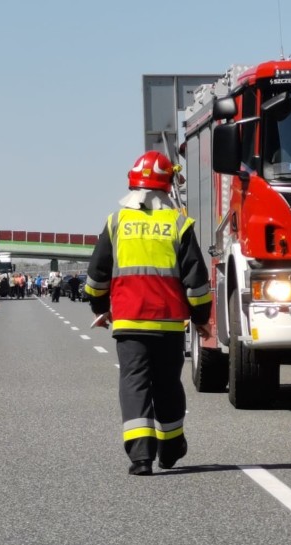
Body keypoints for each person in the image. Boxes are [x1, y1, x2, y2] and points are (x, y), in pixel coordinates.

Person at [85, 150, 212, 476]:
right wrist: (201, 319)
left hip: (128, 322)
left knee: (135, 383)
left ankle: (141, 457)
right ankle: (170, 448)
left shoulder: (116, 223)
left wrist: (101, 308)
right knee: (167, 384)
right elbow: (196, 282)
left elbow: (96, 277)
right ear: (167, 187)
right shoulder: (178, 224)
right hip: (168, 324)